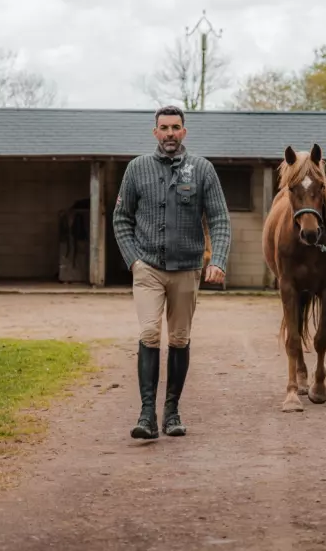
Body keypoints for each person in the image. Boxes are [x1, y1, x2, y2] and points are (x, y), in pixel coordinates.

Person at [113, 104, 231, 440]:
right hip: (147, 267)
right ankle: (147, 414)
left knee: (179, 339)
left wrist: (217, 259)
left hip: (187, 269)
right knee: (150, 333)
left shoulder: (202, 169)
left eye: (175, 127)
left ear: (184, 131)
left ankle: (173, 412)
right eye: (163, 128)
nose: (169, 134)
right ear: (155, 132)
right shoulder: (137, 169)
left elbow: (220, 219)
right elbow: (121, 218)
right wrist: (133, 259)